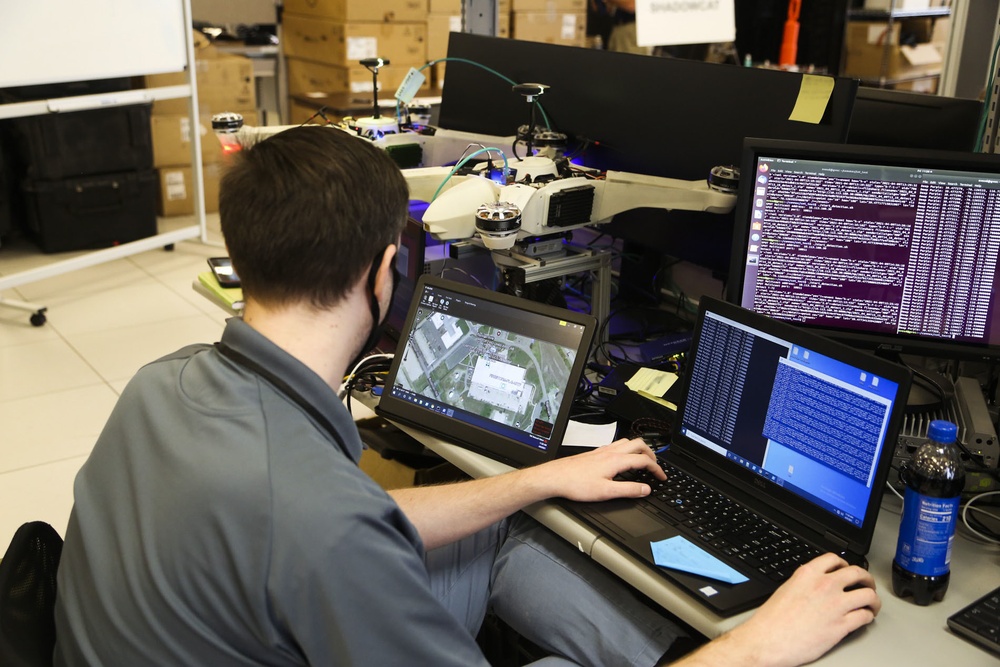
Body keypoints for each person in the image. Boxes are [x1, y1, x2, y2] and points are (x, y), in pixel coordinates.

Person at [52, 126, 880, 667]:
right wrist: (763, 645)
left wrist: (538, 479)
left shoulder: (165, 381)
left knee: (505, 534)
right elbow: (330, 531)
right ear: (384, 268)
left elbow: (346, 524)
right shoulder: (315, 518)